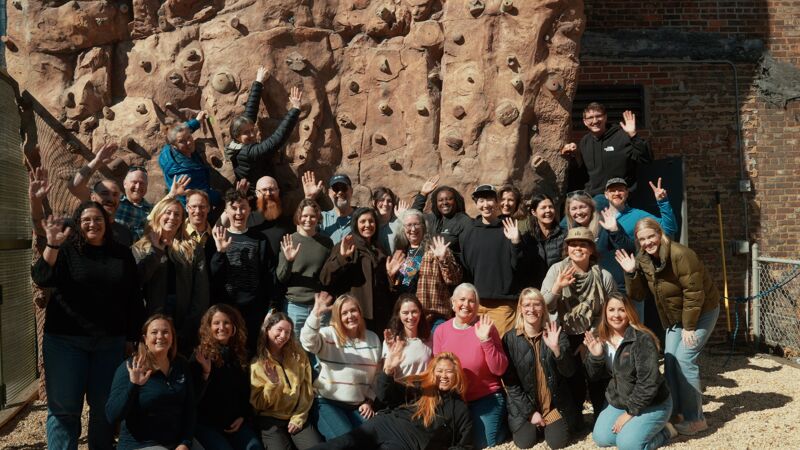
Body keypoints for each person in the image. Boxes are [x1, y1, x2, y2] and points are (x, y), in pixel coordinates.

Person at [32, 201, 143, 450]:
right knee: (64, 410)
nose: (92, 224)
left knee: (104, 409)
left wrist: (132, 337)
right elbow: (41, 277)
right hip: (64, 341)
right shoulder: (66, 249)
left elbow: (134, 298)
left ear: (106, 223)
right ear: (79, 224)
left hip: (110, 342)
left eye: (97, 219)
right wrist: (51, 244)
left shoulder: (122, 254)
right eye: (86, 220)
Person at [616, 218, 720, 435]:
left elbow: (694, 293)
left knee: (684, 358)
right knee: (670, 359)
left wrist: (690, 327)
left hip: (701, 311)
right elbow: (638, 295)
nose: (647, 242)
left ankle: (695, 418)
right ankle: (675, 412)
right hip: (675, 316)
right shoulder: (644, 259)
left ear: (659, 233)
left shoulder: (680, 254)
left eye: (651, 236)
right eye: (642, 239)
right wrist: (631, 272)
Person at [310, 351, 472, 450]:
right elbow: (386, 395)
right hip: (385, 424)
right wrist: (387, 372)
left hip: (408, 444)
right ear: (432, 371)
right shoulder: (420, 386)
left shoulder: (459, 409)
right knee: (341, 445)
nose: (443, 376)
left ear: (456, 375)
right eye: (440, 371)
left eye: (449, 372)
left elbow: (466, 444)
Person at [541, 226, 619, 421]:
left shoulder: (603, 276)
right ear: (567, 248)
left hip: (593, 332)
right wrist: (557, 286)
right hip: (563, 331)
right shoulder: (556, 270)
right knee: (570, 376)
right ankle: (574, 417)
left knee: (596, 375)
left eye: (583, 244)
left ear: (591, 249)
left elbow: (609, 311)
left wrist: (591, 338)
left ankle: (601, 416)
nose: (577, 248)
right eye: (573, 244)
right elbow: (544, 305)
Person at [584, 296, 676, 449]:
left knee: (628, 445)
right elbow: (592, 377)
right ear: (605, 313)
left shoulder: (642, 340)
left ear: (630, 312)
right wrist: (596, 356)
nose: (616, 315)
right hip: (620, 400)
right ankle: (636, 427)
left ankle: (666, 431)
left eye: (622, 310)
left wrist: (629, 414)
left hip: (652, 403)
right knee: (602, 439)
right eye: (611, 310)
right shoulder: (601, 338)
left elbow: (648, 383)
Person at [502, 288, 580, 449]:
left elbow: (569, 371)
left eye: (537, 304)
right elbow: (511, 383)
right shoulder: (510, 339)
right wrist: (531, 413)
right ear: (520, 309)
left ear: (543, 308)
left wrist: (557, 349)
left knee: (556, 443)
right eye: (527, 305)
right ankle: (536, 423)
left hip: (554, 405)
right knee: (525, 442)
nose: (531, 309)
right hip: (526, 407)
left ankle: (548, 424)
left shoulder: (556, 332)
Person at [432, 283, 508, 449]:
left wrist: (486, 340)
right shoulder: (441, 331)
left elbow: (499, 369)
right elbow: (436, 372)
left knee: (482, 444)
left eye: (471, 301)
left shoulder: (486, 327)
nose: (466, 304)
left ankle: (503, 426)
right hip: (455, 400)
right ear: (453, 303)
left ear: (477, 305)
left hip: (486, 397)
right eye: (462, 299)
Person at [106, 315, 199, 450]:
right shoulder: (131, 367)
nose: (160, 336)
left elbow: (190, 409)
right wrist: (133, 385)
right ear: (145, 339)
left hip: (176, 442)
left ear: (172, 338)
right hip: (140, 445)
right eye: (154, 332)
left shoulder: (181, 365)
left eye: (166, 332)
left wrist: (185, 443)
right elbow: (112, 415)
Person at [132, 197, 208, 355]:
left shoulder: (193, 248)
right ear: (158, 215)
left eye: (177, 214)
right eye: (168, 213)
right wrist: (156, 252)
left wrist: (190, 326)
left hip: (184, 319)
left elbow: (201, 292)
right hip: (151, 321)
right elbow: (137, 281)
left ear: (182, 219)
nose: (172, 218)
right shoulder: (140, 248)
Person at [300, 293, 381, 441]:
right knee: (348, 442)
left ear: (360, 312)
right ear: (337, 316)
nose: (350, 316)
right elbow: (308, 342)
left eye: (353, 310)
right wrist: (315, 314)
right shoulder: (329, 334)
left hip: (358, 405)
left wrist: (369, 401)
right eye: (344, 313)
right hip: (327, 403)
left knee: (375, 439)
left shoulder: (373, 339)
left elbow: (376, 375)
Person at [208, 189, 275, 354]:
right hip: (226, 309)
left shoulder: (260, 238)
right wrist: (220, 252)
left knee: (252, 352)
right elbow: (213, 276)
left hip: (254, 311)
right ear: (226, 211)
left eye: (243, 207)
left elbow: (269, 273)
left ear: (249, 209)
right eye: (234, 208)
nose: (239, 212)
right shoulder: (217, 237)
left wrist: (272, 306)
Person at [192, 305, 262, 450]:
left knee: (254, 447)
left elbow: (246, 392)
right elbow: (191, 396)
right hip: (206, 424)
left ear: (234, 326)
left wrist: (243, 416)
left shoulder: (241, 354)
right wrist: (205, 373)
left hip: (235, 422)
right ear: (208, 327)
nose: (221, 327)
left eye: (226, 322)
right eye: (216, 323)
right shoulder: (200, 355)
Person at [251, 311, 322, 449]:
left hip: (296, 415)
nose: (283, 335)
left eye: (288, 332)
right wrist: (272, 384)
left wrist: (299, 417)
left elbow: (306, 390)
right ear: (267, 330)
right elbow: (258, 405)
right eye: (279, 330)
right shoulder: (257, 364)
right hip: (270, 420)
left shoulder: (299, 356)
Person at [459, 184, 523, 336]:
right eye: (481, 200)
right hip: (475, 304)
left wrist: (516, 242)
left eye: (489, 199)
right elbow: (466, 268)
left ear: (496, 202)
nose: (485, 204)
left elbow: (519, 266)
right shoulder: (468, 232)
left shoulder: (508, 227)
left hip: (503, 305)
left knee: (501, 350)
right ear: (476, 203)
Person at [225, 66, 302, 187]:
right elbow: (276, 140)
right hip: (259, 197)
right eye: (246, 133)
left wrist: (258, 82)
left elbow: (249, 114)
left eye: (252, 130)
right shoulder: (248, 153)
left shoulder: (235, 145)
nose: (252, 135)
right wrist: (295, 109)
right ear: (237, 136)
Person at [320, 207, 391, 334]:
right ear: (355, 224)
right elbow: (325, 278)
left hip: (379, 317)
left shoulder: (378, 248)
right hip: (354, 316)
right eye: (363, 221)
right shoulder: (347, 245)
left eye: (371, 221)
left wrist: (391, 276)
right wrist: (342, 258)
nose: (368, 225)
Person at [389, 209, 462, 330]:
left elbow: (454, 279)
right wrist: (391, 276)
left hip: (433, 317)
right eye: (409, 225)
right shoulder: (400, 253)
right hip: (408, 318)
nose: (413, 229)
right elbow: (396, 290)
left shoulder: (435, 249)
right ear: (403, 228)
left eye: (416, 224)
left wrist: (444, 259)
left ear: (423, 226)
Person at [561, 103, 652, 198]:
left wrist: (633, 135)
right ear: (585, 122)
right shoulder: (585, 141)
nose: (595, 121)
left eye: (598, 116)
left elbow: (645, 159)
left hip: (619, 195)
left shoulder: (622, 137)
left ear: (605, 117)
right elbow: (582, 172)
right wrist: (575, 154)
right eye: (590, 118)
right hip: (592, 195)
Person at [278, 199, 334, 335]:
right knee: (296, 351)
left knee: (320, 351)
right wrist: (289, 260)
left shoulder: (326, 243)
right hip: (295, 306)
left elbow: (329, 275)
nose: (308, 219)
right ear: (299, 217)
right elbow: (281, 277)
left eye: (312, 216)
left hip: (319, 306)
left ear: (318, 218)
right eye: (304, 216)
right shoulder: (289, 241)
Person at [158, 110, 222, 208]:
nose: (188, 142)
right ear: (174, 145)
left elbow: (184, 130)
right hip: (192, 210)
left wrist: (196, 121)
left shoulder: (167, 151)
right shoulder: (186, 174)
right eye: (182, 142)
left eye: (189, 137)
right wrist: (220, 196)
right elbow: (201, 196)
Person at [410, 177, 472, 261]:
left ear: (456, 201)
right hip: (427, 267)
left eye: (449, 199)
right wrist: (423, 194)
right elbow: (413, 216)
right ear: (436, 203)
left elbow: (469, 253)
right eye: (440, 200)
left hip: (449, 269)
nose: (445, 203)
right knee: (405, 270)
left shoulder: (464, 221)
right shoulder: (433, 218)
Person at [381, 294, 432, 378]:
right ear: (399, 314)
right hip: (401, 389)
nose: (410, 317)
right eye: (405, 313)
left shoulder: (430, 337)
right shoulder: (392, 341)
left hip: (424, 389)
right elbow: (386, 372)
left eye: (414, 312)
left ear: (420, 312)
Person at [528, 193, 566, 287]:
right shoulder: (529, 237)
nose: (548, 210)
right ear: (534, 212)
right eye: (543, 208)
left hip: (558, 287)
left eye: (550, 207)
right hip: (535, 289)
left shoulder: (564, 235)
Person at [314, 173, 355, 245]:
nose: (340, 192)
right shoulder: (321, 218)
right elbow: (303, 233)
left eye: (344, 188)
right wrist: (309, 197)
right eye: (336, 189)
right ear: (329, 192)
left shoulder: (361, 216)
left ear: (351, 191)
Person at [116, 166, 153, 241]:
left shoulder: (151, 212)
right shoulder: (114, 203)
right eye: (134, 182)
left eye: (142, 183)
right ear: (125, 184)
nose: (138, 186)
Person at [372, 186, 408, 254]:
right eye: (381, 200)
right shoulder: (370, 223)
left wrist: (403, 218)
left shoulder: (398, 222)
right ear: (374, 202)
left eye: (389, 201)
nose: (385, 204)